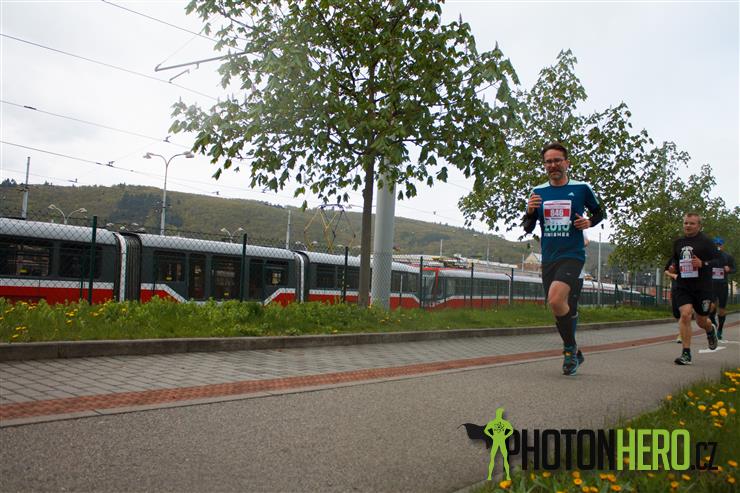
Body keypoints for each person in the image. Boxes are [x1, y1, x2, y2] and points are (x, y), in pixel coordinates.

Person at [523, 142, 605, 375]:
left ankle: (569, 350)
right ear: (544, 166)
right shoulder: (538, 191)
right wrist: (529, 211)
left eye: (557, 160)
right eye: (548, 162)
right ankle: (574, 350)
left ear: (567, 163)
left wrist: (589, 222)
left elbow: (599, 213)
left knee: (556, 299)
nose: (553, 165)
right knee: (557, 305)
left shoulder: (581, 188)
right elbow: (528, 227)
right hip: (549, 257)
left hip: (572, 254)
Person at [668, 213, 719, 365]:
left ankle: (710, 329)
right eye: (686, 223)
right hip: (683, 285)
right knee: (685, 314)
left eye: (692, 223)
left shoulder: (707, 242)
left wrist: (703, 264)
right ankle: (686, 354)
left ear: (699, 226)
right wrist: (673, 267)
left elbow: (719, 261)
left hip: (702, 287)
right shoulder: (678, 242)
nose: (688, 226)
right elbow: (675, 260)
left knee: (701, 321)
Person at [709, 237, 736, 341]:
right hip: (712, 285)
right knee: (711, 307)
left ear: (723, 245)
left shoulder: (728, 257)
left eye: (719, 244)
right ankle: (714, 323)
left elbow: (734, 269)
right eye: (716, 244)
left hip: (723, 285)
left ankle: (720, 329)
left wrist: (729, 269)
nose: (718, 246)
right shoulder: (709, 256)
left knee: (721, 310)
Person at [664, 259, 682, 343]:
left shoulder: (691, 256)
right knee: (676, 312)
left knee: (684, 312)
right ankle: (684, 329)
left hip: (687, 288)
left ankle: (682, 333)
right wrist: (673, 275)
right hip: (675, 288)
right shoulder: (672, 259)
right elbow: (666, 270)